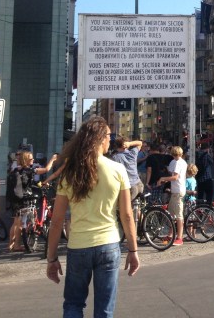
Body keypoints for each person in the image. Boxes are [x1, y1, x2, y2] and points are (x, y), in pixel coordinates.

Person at [46, 116, 139, 317]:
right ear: (99, 138)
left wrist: (51, 258)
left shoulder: (70, 173)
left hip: (78, 246)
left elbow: (56, 222)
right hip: (108, 244)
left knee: (73, 305)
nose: (110, 140)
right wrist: (133, 250)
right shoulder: (117, 169)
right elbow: (127, 215)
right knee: (104, 310)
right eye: (108, 136)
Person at [7, 150, 57, 252]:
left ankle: (10, 245)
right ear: (26, 160)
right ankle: (16, 245)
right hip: (24, 199)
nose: (33, 160)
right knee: (20, 224)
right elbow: (46, 169)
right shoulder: (29, 170)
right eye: (31, 159)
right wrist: (53, 159)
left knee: (15, 223)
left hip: (15, 198)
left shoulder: (16, 170)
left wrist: (40, 184)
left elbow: (30, 182)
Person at [156, 146, 187, 246]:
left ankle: (179, 238)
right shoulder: (178, 162)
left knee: (178, 215)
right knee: (171, 214)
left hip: (178, 191)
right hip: (176, 190)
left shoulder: (178, 162)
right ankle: (171, 234)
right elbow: (171, 173)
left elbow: (175, 177)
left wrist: (163, 178)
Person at [110, 137, 144, 201]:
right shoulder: (132, 153)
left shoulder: (115, 157)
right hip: (139, 183)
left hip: (129, 186)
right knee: (137, 207)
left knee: (126, 208)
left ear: (116, 145)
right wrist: (130, 143)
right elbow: (140, 143)